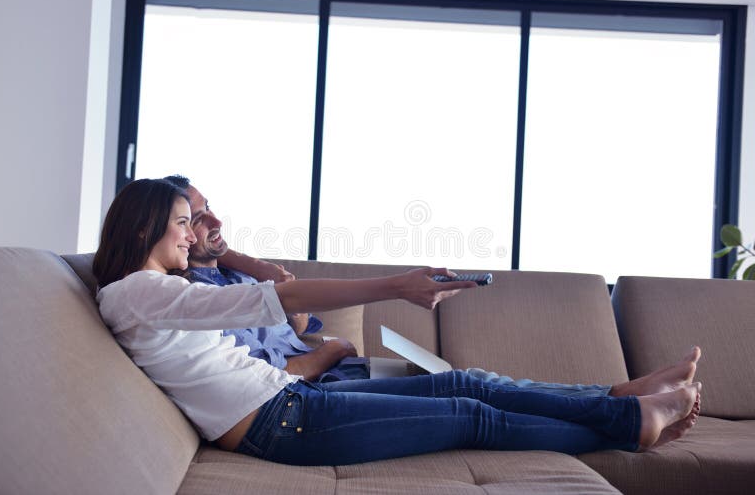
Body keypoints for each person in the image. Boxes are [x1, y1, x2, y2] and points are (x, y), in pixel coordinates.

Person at [93, 178, 700, 466]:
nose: (190, 233)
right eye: (181, 221)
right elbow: (274, 300)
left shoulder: (154, 292)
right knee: (472, 414)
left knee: (469, 384)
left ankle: (620, 402)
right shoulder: (136, 294)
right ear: (146, 229)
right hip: (284, 422)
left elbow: (266, 302)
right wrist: (395, 284)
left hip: (289, 400)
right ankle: (629, 421)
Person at [163, 174, 702, 399]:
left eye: (211, 212)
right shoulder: (193, 300)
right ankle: (619, 400)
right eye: (199, 218)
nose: (213, 223)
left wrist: (230, 252)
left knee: (471, 377)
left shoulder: (231, 273)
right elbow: (276, 370)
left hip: (340, 370)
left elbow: (297, 318)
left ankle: (612, 394)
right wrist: (331, 352)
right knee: (466, 389)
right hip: (314, 389)